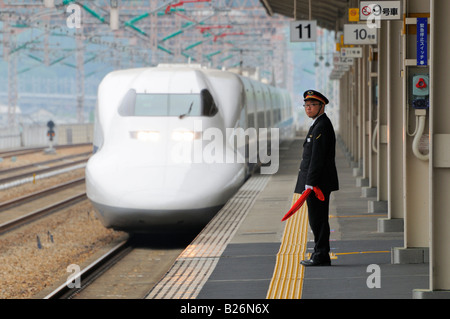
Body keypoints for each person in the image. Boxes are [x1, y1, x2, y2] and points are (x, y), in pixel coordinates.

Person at [294, 90, 339, 267]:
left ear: (322, 106)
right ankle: (320, 253)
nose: (308, 108)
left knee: (318, 219)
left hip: (317, 183)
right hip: (316, 182)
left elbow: (317, 158)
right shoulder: (318, 124)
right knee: (317, 219)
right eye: (306, 105)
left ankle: (321, 255)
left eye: (312, 105)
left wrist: (310, 183)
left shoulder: (321, 126)